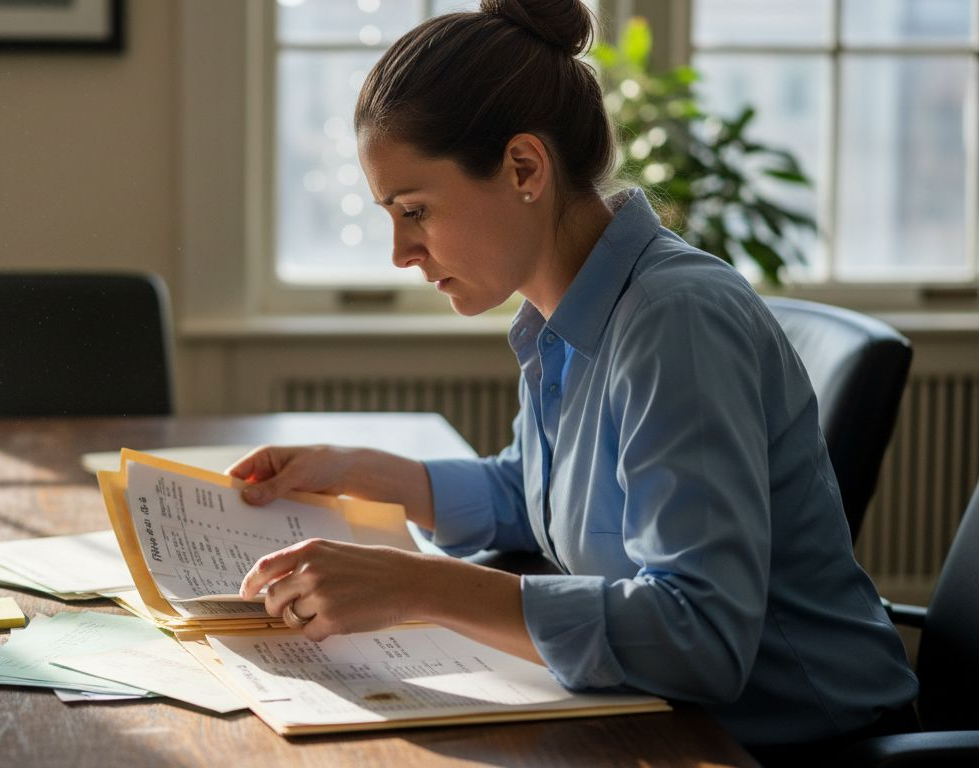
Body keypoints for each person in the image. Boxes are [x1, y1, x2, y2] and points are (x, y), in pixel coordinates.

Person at [232, 0, 918, 761]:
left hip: (794, 747)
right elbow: (533, 494)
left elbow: (701, 636)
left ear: (525, 167)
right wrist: (350, 472)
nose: (401, 251)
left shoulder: (673, 321)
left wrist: (417, 585)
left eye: (415, 210)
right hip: (661, 723)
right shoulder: (564, 314)